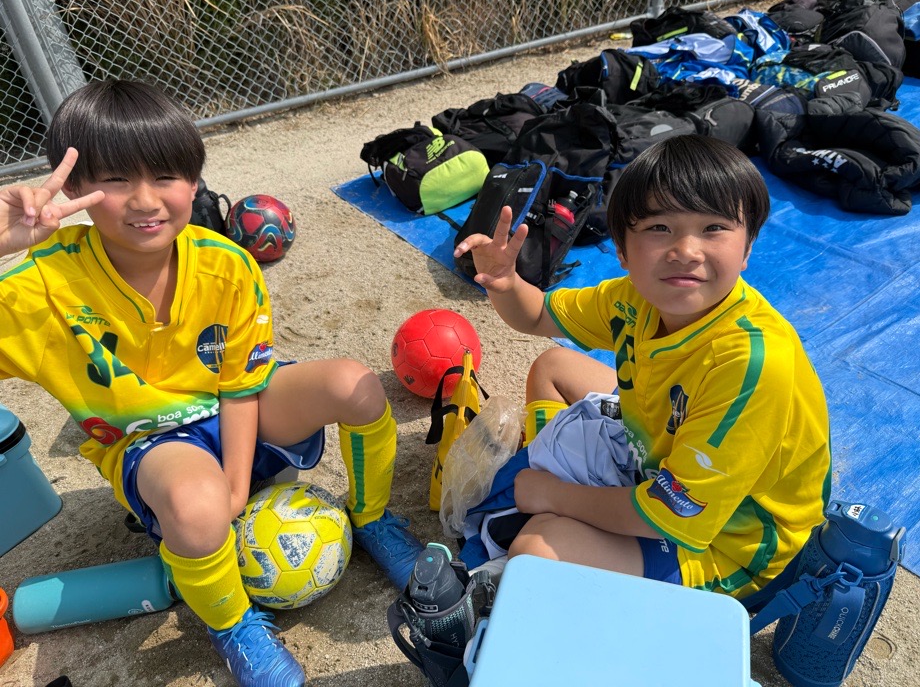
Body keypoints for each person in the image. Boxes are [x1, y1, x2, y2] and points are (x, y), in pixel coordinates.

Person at [0, 79, 423, 687]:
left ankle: (372, 519)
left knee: (353, 385)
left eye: (165, 176)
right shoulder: (40, 284)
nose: (145, 200)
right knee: (197, 508)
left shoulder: (228, 263)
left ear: (195, 182)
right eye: (115, 179)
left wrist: (236, 483)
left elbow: (240, 384)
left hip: (234, 404)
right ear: (72, 189)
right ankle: (234, 625)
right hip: (148, 438)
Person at [453, 134, 831, 599]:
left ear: (748, 246)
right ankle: (555, 486)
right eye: (659, 227)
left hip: (731, 541)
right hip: (661, 456)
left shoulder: (752, 362)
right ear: (622, 250)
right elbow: (537, 316)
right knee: (553, 366)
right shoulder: (633, 299)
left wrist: (554, 495)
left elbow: (673, 514)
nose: (686, 250)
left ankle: (552, 499)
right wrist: (506, 282)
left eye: (713, 227)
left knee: (535, 550)